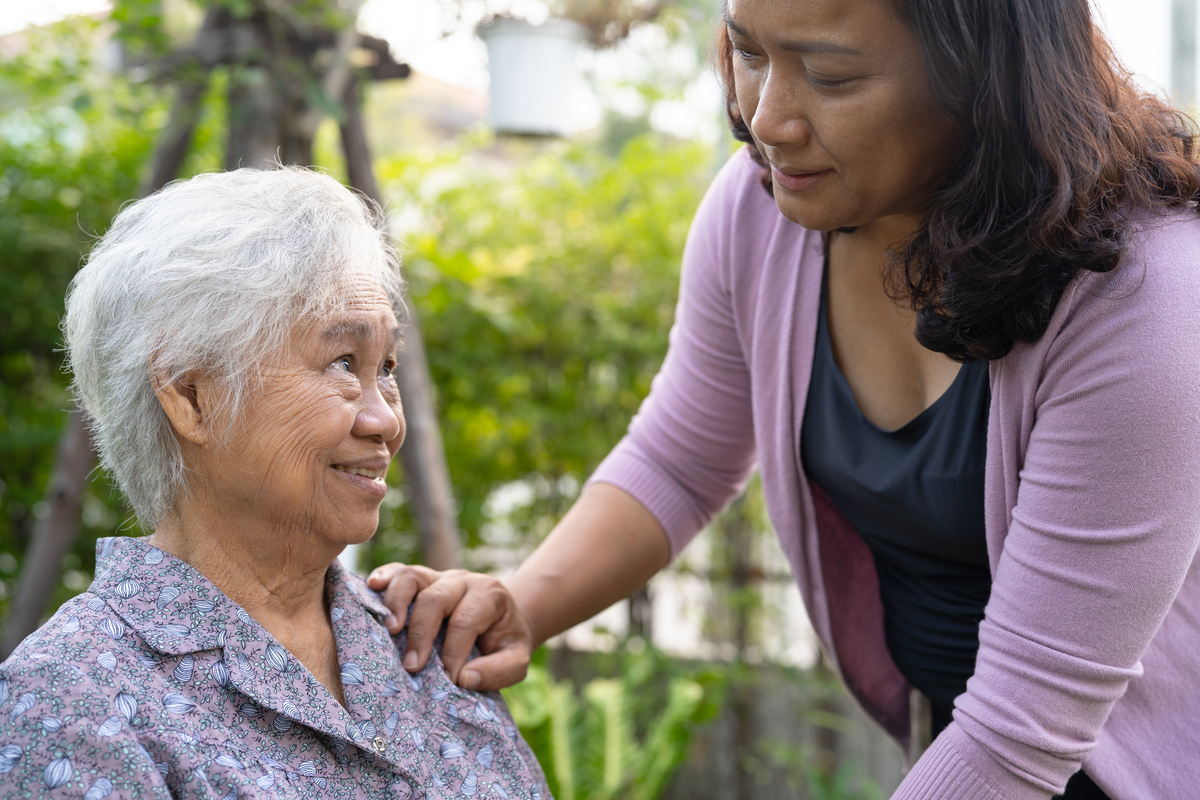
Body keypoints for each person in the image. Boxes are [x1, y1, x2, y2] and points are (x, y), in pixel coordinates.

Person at [368, 0, 1200, 798]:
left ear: (981, 74)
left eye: (831, 76)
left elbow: (1021, 733)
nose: (768, 118)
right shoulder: (764, 210)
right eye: (751, 53)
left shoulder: (1140, 298)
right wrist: (521, 603)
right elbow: (680, 458)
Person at [0, 168, 550, 800]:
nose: (386, 421)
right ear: (192, 395)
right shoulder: (73, 703)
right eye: (343, 363)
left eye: (386, 367)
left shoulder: (426, 645)